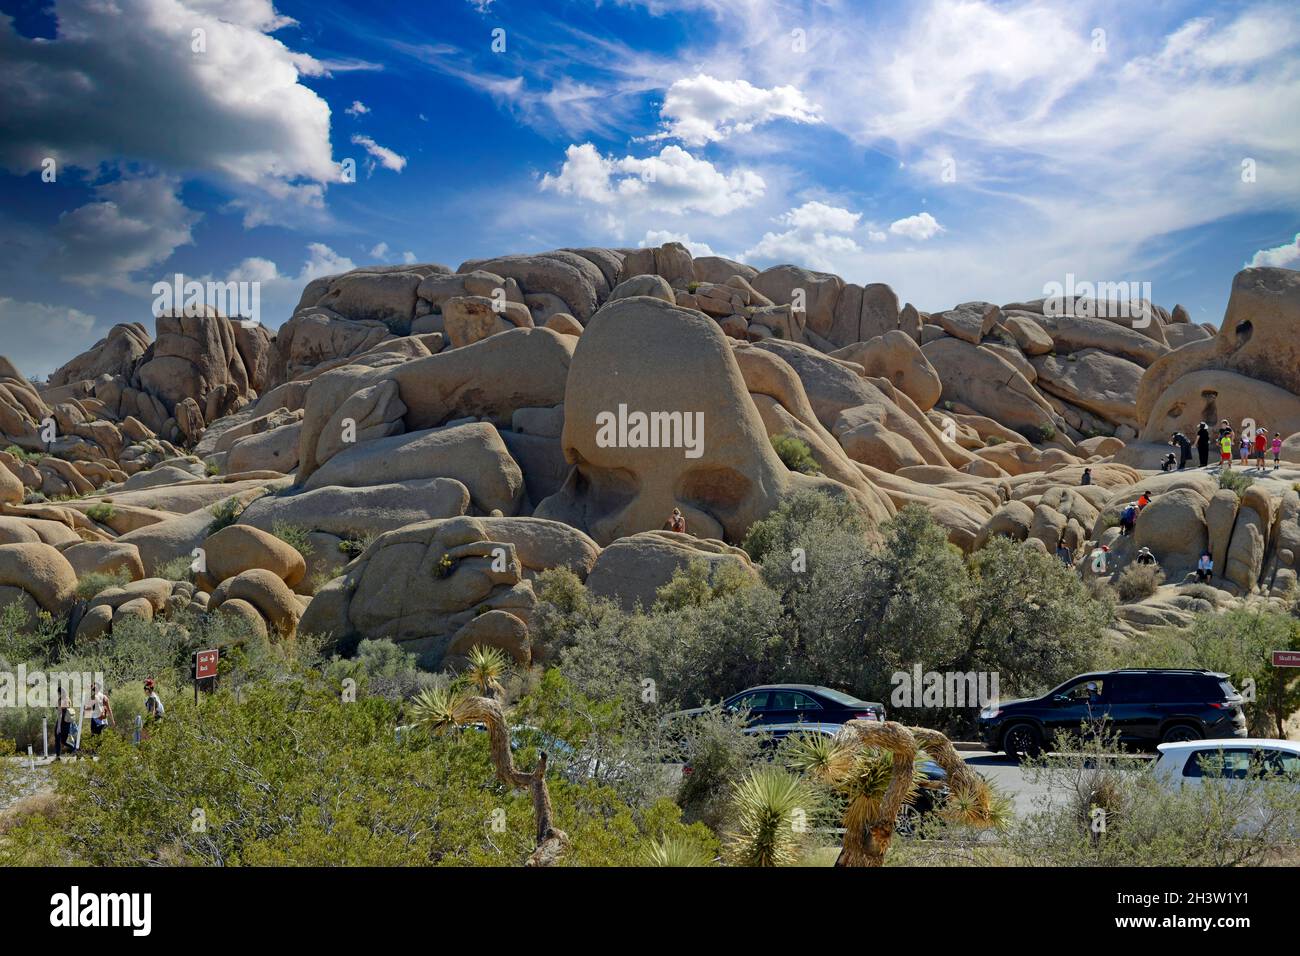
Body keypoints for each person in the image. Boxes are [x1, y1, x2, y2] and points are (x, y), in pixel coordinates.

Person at [53, 682, 72, 760]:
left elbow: (60, 714)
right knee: (63, 741)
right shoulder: (68, 699)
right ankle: (76, 749)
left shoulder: (61, 700)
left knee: (57, 738)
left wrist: (58, 727)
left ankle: (57, 757)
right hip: (67, 722)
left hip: (62, 722)